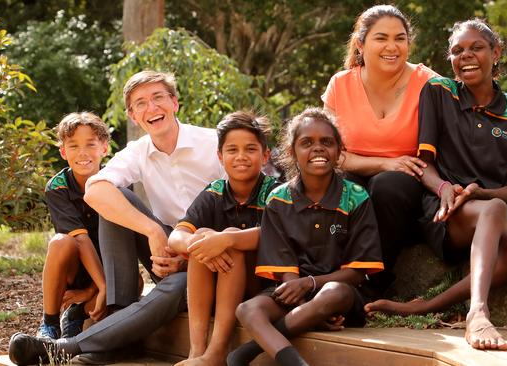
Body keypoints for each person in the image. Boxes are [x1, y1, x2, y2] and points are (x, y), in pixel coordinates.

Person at [9, 70, 225, 365]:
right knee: (111, 192)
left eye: (158, 98)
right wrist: (153, 231)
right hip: (164, 253)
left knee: (174, 288)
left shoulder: (213, 143)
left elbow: (251, 206)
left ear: (175, 103)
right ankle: (118, 308)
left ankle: (69, 348)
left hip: (214, 257)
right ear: (133, 116)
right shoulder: (138, 151)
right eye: (140, 103)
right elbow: (95, 192)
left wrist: (189, 254)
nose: (151, 108)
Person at [364, 19, 507, 351]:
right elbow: (426, 167)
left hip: (490, 209)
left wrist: (481, 193)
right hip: (444, 211)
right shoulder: (438, 93)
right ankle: (477, 312)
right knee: (492, 209)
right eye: (457, 50)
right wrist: (443, 189)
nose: (465, 56)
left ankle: (427, 305)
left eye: (476, 48)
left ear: (495, 53)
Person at [227, 108, 384, 366]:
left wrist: (310, 285)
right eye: (307, 143)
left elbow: (356, 273)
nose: (318, 148)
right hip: (293, 290)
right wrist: (304, 304)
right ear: (292, 153)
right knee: (247, 309)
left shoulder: (356, 197)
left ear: (339, 150)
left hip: (339, 294)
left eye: (327, 142)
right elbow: (283, 265)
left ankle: (247, 352)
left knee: (333, 293)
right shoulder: (278, 199)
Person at [322, 4, 438, 292]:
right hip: (357, 176)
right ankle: (325, 275)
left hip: (406, 190)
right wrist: (384, 162)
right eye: (381, 38)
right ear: (360, 44)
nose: (392, 46)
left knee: (388, 185)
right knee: (343, 186)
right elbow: (327, 152)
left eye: (400, 38)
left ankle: (373, 281)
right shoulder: (340, 84)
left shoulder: (429, 83)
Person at [167, 111, 279, 366]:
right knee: (201, 240)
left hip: (263, 288)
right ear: (220, 156)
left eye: (250, 149)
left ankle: (217, 352)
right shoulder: (214, 192)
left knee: (228, 239)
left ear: (265, 156)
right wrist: (202, 243)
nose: (240, 157)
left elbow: (275, 234)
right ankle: (197, 351)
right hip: (219, 289)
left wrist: (227, 240)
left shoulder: (276, 191)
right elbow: (175, 237)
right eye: (232, 150)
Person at [37, 112, 109, 340]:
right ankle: (49, 323)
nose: (83, 153)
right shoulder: (58, 187)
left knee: (135, 283)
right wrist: (104, 285)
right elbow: (80, 239)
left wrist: (94, 289)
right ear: (63, 152)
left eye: (90, 144)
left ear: (104, 148)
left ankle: (77, 314)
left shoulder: (115, 180)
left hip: (105, 265)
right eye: (74, 146)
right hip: (74, 265)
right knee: (61, 241)